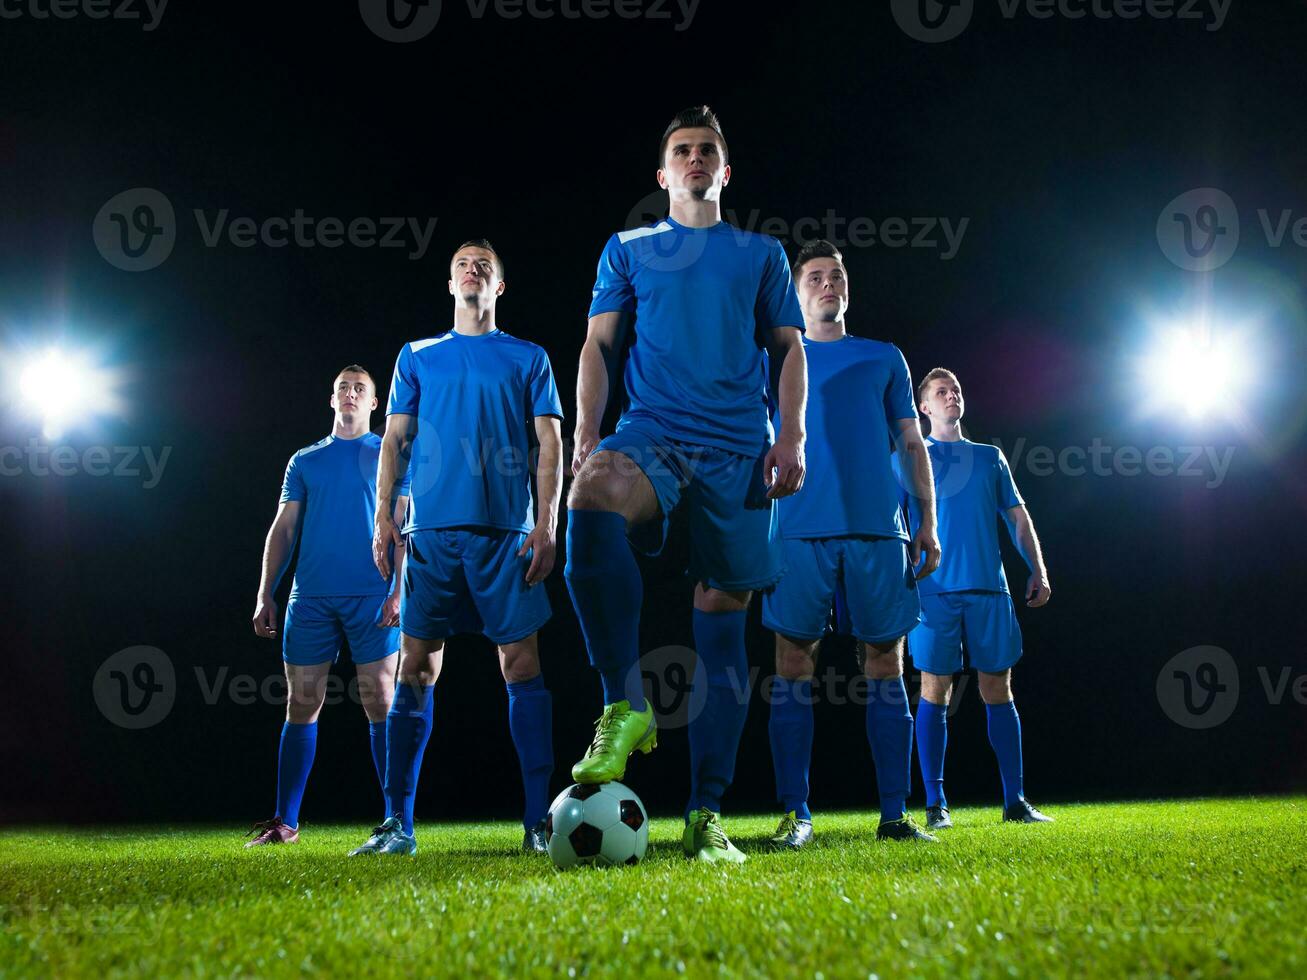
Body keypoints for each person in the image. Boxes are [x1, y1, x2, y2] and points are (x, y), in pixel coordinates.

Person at [565, 106, 808, 863]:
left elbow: (790, 349)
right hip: (654, 432)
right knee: (590, 495)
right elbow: (598, 345)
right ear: (663, 174)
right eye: (681, 151)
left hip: (738, 448)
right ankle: (623, 703)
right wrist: (584, 433)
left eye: (707, 150)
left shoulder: (760, 253)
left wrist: (791, 435)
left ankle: (704, 814)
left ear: (724, 172)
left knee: (720, 619)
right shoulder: (629, 247)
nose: (695, 159)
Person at [350, 240, 564, 856]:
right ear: (451, 284)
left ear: (500, 286)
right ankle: (398, 825)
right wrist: (383, 519)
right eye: (463, 265)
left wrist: (547, 523)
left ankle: (535, 825)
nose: (473, 270)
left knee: (521, 666)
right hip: (430, 536)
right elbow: (394, 440)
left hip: (507, 534)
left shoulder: (529, 357)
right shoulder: (417, 355)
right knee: (415, 667)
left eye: (485, 266)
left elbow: (549, 443)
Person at [762, 240, 940, 848]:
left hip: (877, 529)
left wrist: (929, 522)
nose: (827, 283)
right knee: (792, 666)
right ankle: (796, 813)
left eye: (836, 275)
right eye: (814, 276)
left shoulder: (884, 357)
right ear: (796, 291)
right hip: (797, 528)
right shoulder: (778, 359)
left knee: (886, 664)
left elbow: (913, 446)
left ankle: (894, 814)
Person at [247, 366, 408, 847]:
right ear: (331, 398)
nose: (351, 394)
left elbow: (403, 528)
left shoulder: (389, 455)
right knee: (301, 702)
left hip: (373, 594)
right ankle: (285, 822)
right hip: (311, 598)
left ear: (374, 403)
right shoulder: (305, 460)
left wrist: (400, 590)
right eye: (343, 387)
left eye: (361, 389)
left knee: (381, 701)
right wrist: (265, 592)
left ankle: (395, 821)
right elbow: (284, 529)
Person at [904, 367, 1054, 828]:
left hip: (990, 588)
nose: (952, 396)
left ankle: (1015, 802)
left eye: (957, 390)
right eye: (941, 392)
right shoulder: (909, 456)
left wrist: (1039, 570)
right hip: (932, 591)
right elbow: (891, 521)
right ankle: (935, 807)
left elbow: (1018, 517)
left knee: (998, 689)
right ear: (924, 407)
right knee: (934, 691)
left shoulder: (989, 457)